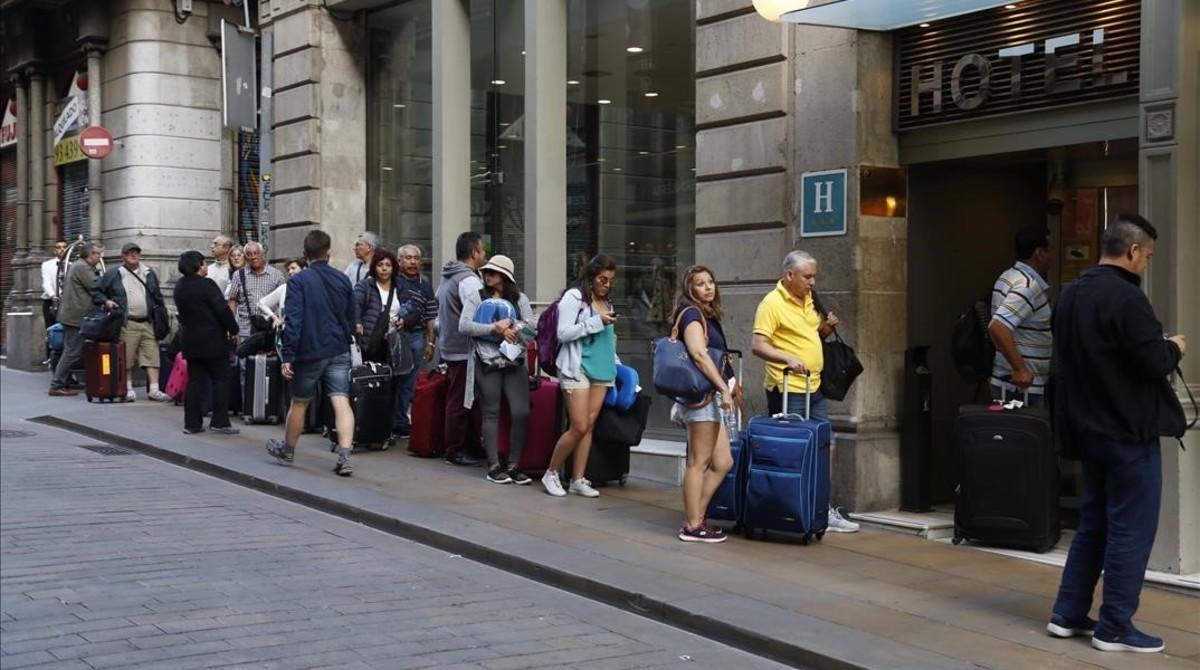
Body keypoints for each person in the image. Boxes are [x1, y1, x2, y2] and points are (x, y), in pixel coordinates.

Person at [1046, 214, 1187, 654]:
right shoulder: (1127, 299)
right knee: (1131, 528)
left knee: (1094, 524)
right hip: (1127, 431)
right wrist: (1174, 347)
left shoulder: (1071, 295)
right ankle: (1115, 625)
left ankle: (1067, 613)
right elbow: (1153, 362)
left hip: (1087, 429)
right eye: (1147, 256)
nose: (1146, 263)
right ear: (1131, 252)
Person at [751, 250, 860, 533]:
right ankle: (793, 507)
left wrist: (824, 330)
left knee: (827, 444)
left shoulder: (810, 299)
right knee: (794, 452)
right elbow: (758, 345)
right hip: (787, 389)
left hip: (814, 387)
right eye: (807, 276)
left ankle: (822, 507)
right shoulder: (771, 304)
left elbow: (809, 337)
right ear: (789, 275)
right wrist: (786, 358)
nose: (813, 282)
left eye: (814, 276)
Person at [267, 230, 358, 477]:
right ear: (328, 252)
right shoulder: (342, 279)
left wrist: (288, 356)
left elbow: (293, 321)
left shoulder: (298, 281)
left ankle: (288, 450)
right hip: (338, 347)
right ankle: (345, 455)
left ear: (305, 254)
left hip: (310, 350)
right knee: (341, 400)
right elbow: (352, 318)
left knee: (299, 402)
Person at [542, 254, 620, 498]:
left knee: (589, 426)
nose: (606, 285)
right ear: (591, 277)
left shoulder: (607, 302)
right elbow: (563, 333)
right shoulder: (574, 297)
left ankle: (578, 478)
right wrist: (596, 322)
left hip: (603, 368)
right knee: (578, 425)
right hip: (577, 367)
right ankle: (551, 473)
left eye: (610, 280)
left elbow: (609, 339)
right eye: (602, 279)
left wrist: (617, 364)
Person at [672, 266, 739, 542]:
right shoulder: (691, 315)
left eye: (711, 281)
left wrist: (728, 380)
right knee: (698, 463)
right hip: (701, 397)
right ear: (690, 289)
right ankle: (692, 525)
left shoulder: (707, 315)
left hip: (710, 396)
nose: (708, 287)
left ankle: (696, 517)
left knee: (723, 461)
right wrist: (724, 387)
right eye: (700, 284)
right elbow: (699, 355)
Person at [459, 255, 535, 485]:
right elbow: (464, 326)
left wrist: (514, 328)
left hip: (514, 360)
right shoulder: (476, 296)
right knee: (491, 411)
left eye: (493, 272)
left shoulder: (519, 298)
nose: (488, 275)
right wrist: (494, 328)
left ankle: (514, 464)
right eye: (486, 272)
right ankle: (493, 464)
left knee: (520, 411)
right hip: (486, 360)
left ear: (505, 276)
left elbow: (532, 326)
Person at [173, 251, 240, 436]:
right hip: (212, 340)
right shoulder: (207, 285)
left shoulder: (180, 287)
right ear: (197, 265)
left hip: (190, 340)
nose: (205, 267)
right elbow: (222, 310)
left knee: (194, 381)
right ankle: (219, 421)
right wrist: (234, 329)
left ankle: (192, 423)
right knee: (221, 379)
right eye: (203, 264)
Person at [93, 242, 169, 402]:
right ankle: (127, 388)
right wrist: (106, 302)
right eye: (129, 253)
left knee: (152, 356)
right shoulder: (114, 274)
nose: (133, 256)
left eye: (136, 253)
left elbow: (157, 296)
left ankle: (154, 390)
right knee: (125, 358)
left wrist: (161, 315)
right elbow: (96, 292)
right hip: (127, 323)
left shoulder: (149, 273)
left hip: (148, 322)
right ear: (123, 256)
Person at [437, 232, 487, 466]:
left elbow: (439, 308)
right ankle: (455, 449)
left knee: (464, 398)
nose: (484, 254)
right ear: (474, 253)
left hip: (450, 345)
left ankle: (469, 446)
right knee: (460, 399)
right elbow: (478, 312)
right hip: (463, 349)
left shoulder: (448, 276)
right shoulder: (469, 281)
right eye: (483, 250)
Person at [988, 225, 1053, 405]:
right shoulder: (1027, 286)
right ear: (1039, 253)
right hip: (1021, 389)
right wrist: (1020, 369)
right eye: (1049, 250)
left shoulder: (1008, 276)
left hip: (1008, 384)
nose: (1051, 256)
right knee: (1025, 432)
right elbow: (998, 326)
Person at [391, 244, 438, 439]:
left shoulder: (425, 284)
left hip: (417, 336)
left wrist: (430, 343)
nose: (413, 262)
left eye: (416, 258)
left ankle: (401, 421)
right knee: (394, 379)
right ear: (399, 261)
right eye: (408, 258)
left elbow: (430, 317)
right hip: (395, 335)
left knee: (410, 381)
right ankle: (388, 420)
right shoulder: (393, 281)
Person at [48, 243, 103, 397]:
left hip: (71, 315)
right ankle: (57, 384)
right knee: (72, 352)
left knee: (69, 350)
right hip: (75, 317)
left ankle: (63, 381)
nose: (99, 257)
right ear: (89, 255)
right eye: (97, 254)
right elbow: (96, 286)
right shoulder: (82, 268)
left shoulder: (81, 266)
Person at [226, 241, 286, 342]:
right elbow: (233, 301)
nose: (253, 257)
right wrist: (232, 328)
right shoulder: (238, 275)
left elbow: (283, 302)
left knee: (270, 358)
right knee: (244, 356)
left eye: (256, 253)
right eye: (249, 254)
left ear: (262, 254)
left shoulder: (277, 275)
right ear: (246, 257)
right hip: (245, 330)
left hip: (270, 329)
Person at [352, 249, 402, 363]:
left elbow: (409, 307)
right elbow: (355, 305)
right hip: (370, 339)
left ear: (393, 268)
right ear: (374, 267)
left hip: (393, 341)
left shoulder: (399, 287)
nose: (384, 268)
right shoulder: (365, 286)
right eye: (380, 265)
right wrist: (357, 323)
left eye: (388, 265)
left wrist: (404, 320)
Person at [258, 258, 307, 330]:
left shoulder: (309, 288)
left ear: (303, 269)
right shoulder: (284, 288)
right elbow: (261, 303)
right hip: (286, 334)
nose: (290, 272)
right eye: (288, 270)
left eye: (293, 268)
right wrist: (274, 317)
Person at [40, 240, 68, 360]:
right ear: (55, 250)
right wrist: (53, 295)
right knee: (52, 330)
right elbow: (46, 283)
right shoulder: (47, 265)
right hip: (51, 302)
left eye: (64, 247)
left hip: (66, 303)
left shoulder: (71, 264)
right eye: (58, 247)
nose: (61, 249)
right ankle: (51, 358)